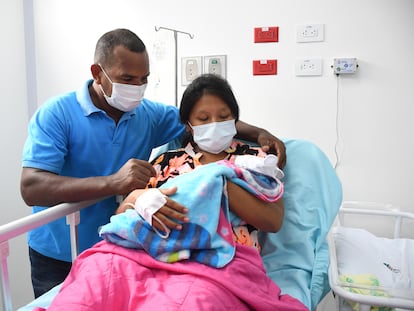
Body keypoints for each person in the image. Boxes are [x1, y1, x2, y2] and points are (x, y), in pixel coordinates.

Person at [20, 28, 287, 298]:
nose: (136, 89)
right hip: (61, 249)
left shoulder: (149, 115)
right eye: (127, 79)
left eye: (143, 79)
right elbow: (31, 187)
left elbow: (201, 117)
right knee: (76, 299)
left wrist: (258, 134)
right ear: (97, 73)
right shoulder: (58, 114)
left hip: (141, 253)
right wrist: (121, 187)